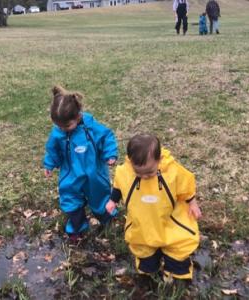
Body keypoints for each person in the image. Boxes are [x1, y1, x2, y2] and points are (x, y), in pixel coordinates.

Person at [107, 133, 202, 281]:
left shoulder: (172, 172)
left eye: (149, 172)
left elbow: (186, 185)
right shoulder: (126, 171)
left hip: (169, 222)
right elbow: (119, 184)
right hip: (142, 223)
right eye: (138, 172)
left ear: (159, 160)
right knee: (144, 251)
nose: (144, 176)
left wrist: (193, 203)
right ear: (130, 161)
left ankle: (177, 276)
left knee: (177, 248)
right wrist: (113, 200)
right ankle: (149, 273)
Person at [43, 85, 118, 242]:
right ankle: (76, 228)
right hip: (71, 175)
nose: (63, 129)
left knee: (100, 198)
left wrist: (110, 154)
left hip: (94, 173)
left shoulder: (91, 127)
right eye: (59, 126)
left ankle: (107, 220)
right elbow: (53, 150)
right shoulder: (58, 133)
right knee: (71, 200)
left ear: (78, 117)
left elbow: (106, 137)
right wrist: (49, 164)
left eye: (67, 126)